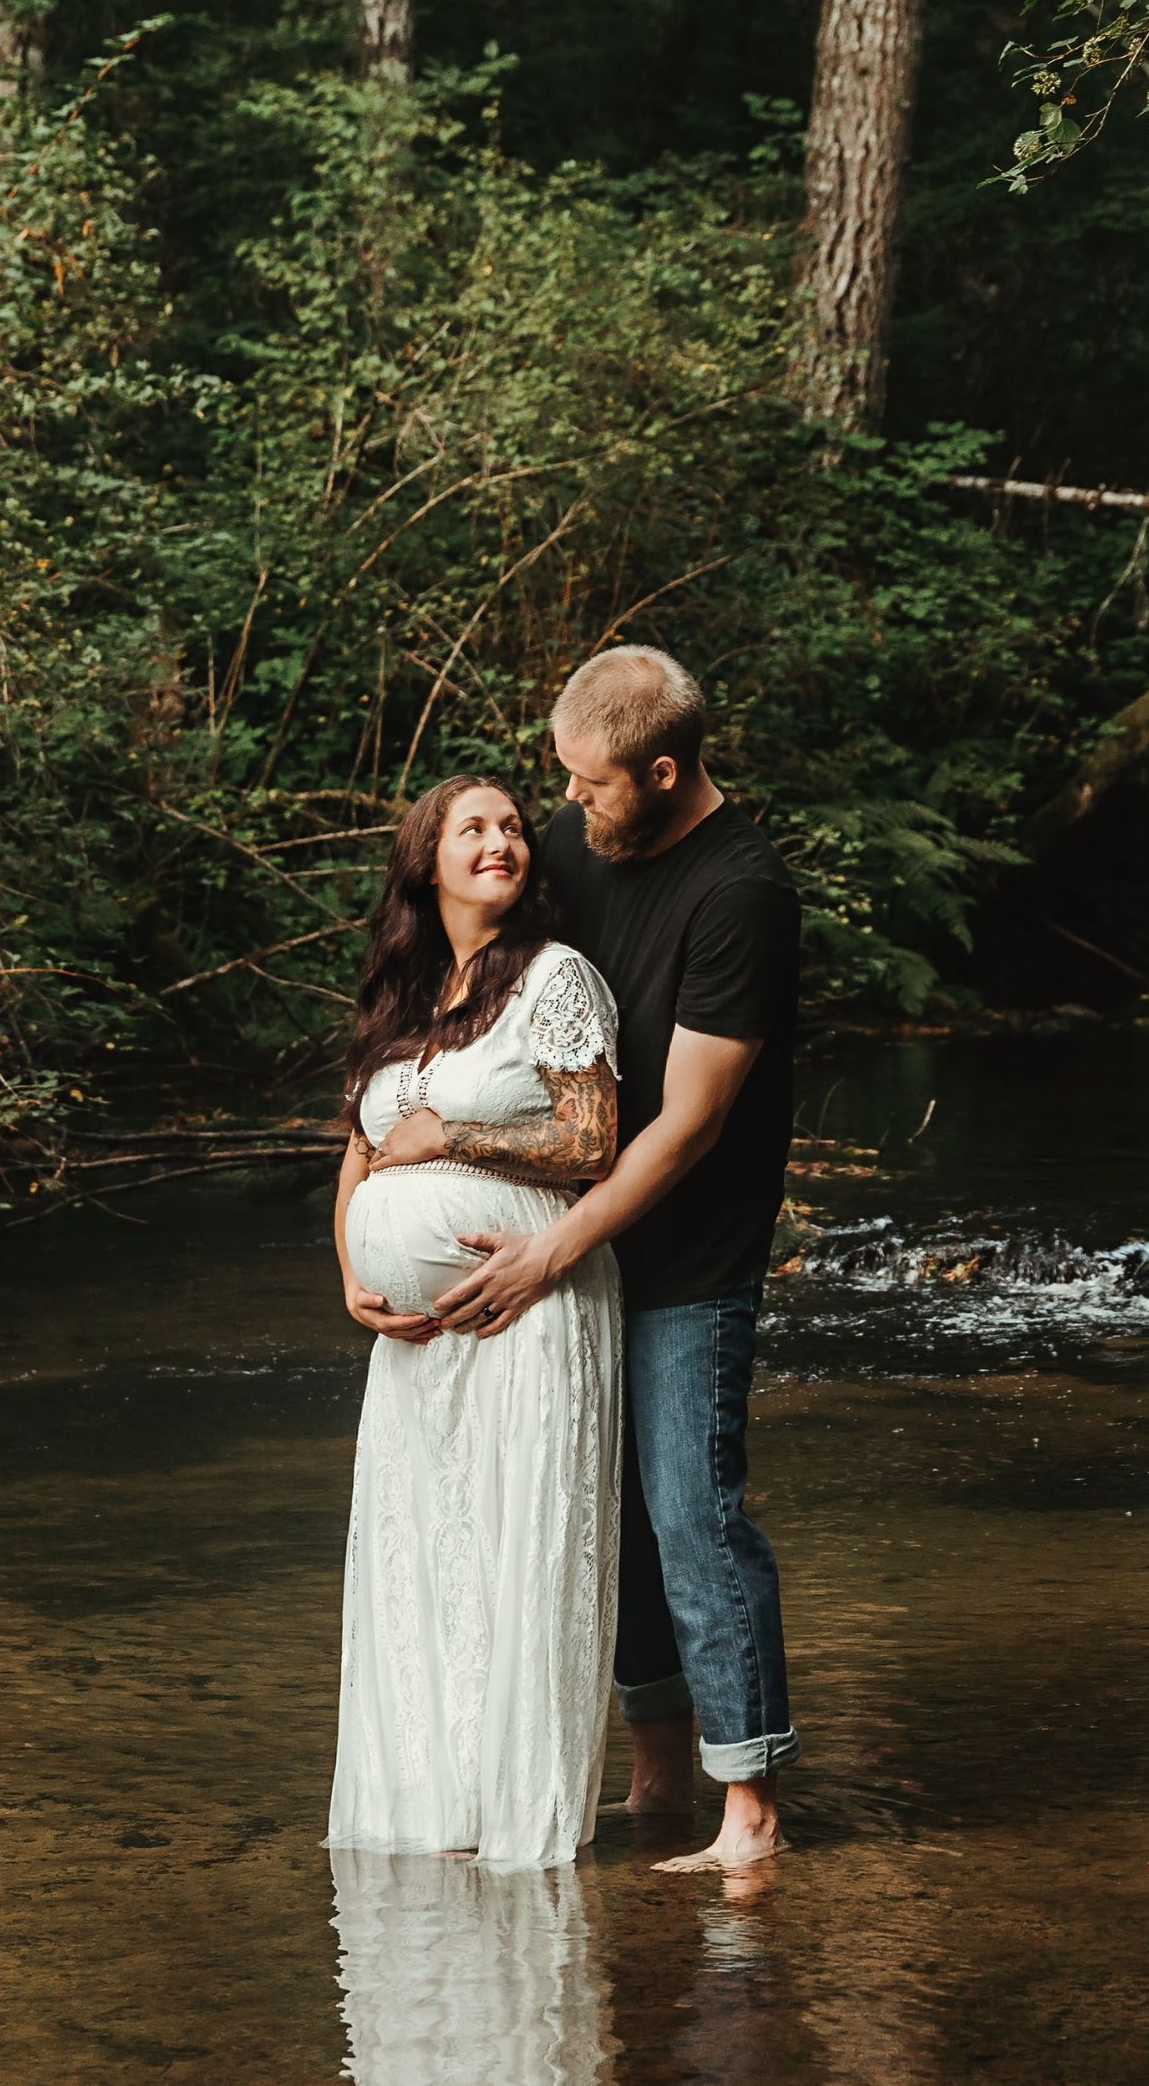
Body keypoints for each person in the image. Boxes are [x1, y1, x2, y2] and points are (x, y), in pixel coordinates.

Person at [432, 647, 800, 1872]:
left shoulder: (740, 889)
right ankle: (654, 1786)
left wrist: (545, 1255)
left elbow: (687, 1126)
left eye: (590, 786)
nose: (568, 810)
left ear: (662, 767)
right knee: (618, 1528)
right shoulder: (582, 835)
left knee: (693, 1514)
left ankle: (749, 1811)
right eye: (564, 784)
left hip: (688, 1256)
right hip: (582, 1254)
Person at [326, 773, 624, 1871]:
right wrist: (352, 1268)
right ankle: (433, 1809)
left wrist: (454, 1136)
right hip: (411, 1344)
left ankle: (517, 1819)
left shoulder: (557, 978)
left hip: (528, 1309)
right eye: (473, 827)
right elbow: (360, 1149)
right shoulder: (403, 994)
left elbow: (594, 1140)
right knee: (425, 1558)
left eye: (511, 827)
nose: (501, 841)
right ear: (425, 859)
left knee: (510, 1547)